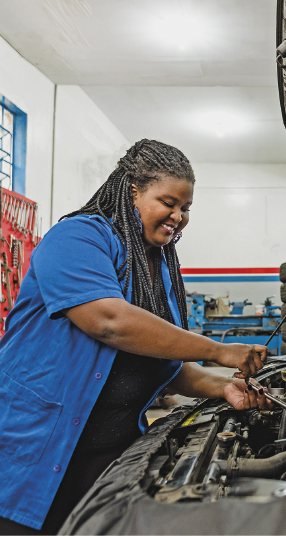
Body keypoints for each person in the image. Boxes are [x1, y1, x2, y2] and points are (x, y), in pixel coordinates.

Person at [0, 139, 270, 535]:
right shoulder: (76, 238)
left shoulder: (158, 265)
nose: (178, 215)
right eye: (168, 202)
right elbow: (109, 321)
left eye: (186, 207)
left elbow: (162, 365)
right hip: (36, 449)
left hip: (109, 454)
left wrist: (221, 386)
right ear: (133, 191)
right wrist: (219, 351)